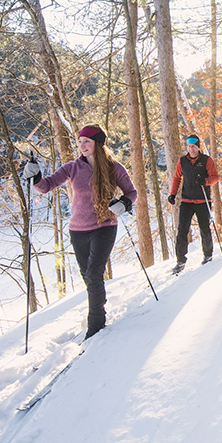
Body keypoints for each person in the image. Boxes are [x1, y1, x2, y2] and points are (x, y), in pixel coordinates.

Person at [22, 125, 137, 339]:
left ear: (98, 143)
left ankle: (95, 326)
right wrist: (35, 176)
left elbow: (132, 192)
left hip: (105, 227)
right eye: (80, 142)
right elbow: (46, 186)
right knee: (89, 278)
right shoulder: (73, 167)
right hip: (78, 231)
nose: (82, 145)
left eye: (87, 141)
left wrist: (124, 203)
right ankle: (99, 306)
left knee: (94, 274)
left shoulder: (114, 167)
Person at [166, 134, 220, 273]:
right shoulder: (182, 161)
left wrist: (206, 181)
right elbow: (177, 178)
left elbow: (215, 177)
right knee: (182, 229)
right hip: (186, 200)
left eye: (193, 146)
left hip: (202, 200)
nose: (191, 149)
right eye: (189, 146)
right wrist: (173, 194)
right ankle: (180, 260)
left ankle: (208, 255)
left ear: (198, 147)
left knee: (204, 228)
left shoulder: (207, 160)